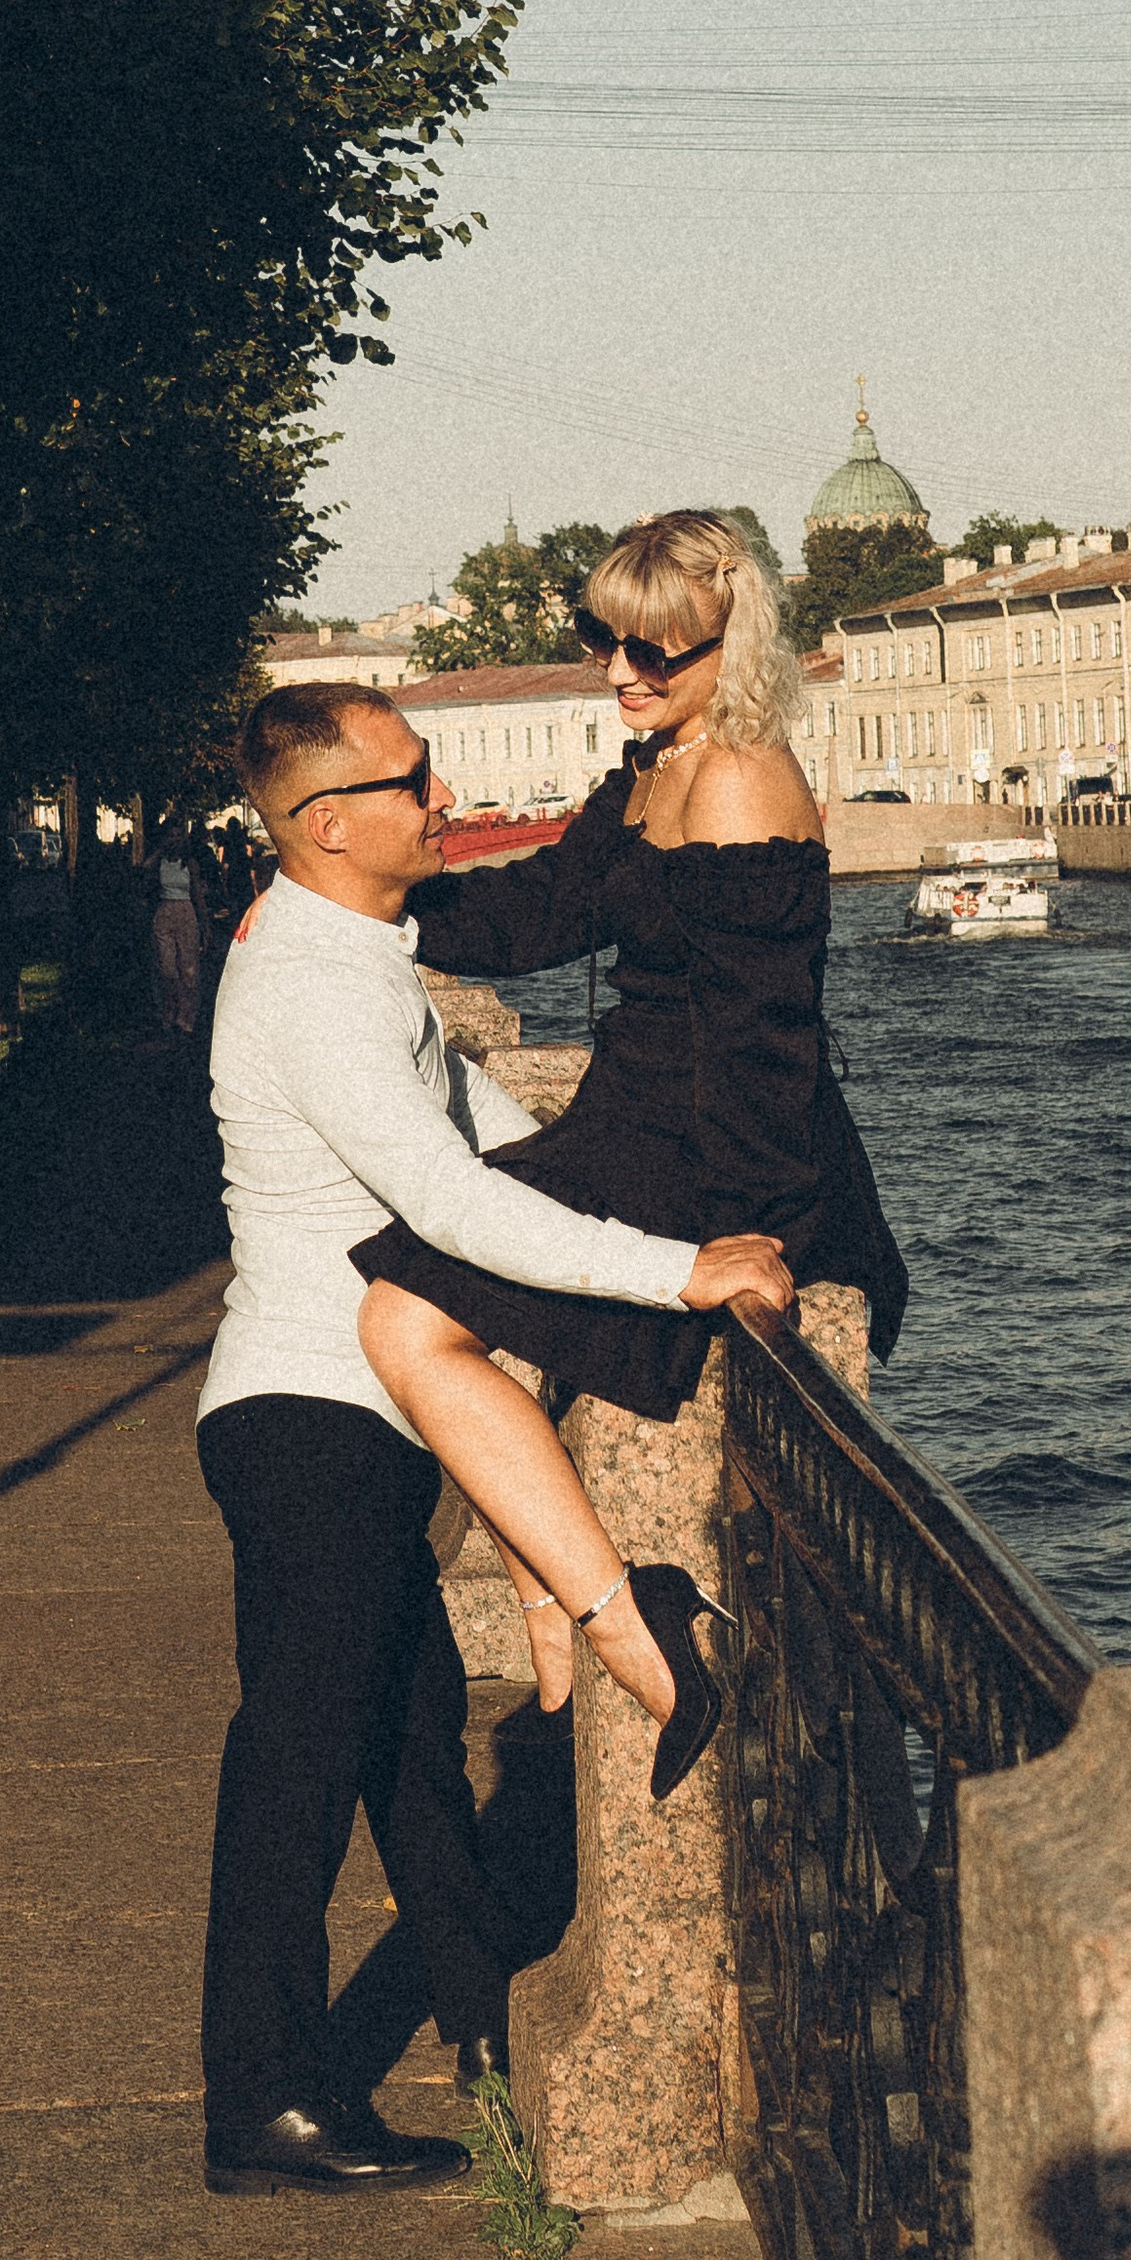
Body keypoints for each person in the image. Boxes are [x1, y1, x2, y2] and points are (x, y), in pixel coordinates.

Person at [195, 677, 794, 2198]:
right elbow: (455, 1207)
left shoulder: (348, 950)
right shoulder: (316, 988)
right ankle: (260, 2102)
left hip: (338, 1418)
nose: (444, 798)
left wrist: (659, 1178)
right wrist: (675, 1272)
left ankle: (476, 2015)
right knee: (297, 1763)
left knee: (405, 1754)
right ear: (326, 825)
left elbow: (489, 1131)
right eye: (412, 781)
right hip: (310, 1420)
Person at [353, 511, 908, 1790]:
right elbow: (540, 911)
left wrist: (735, 1236)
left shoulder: (739, 781)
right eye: (604, 641)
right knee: (412, 1303)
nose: (620, 672)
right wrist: (367, 906)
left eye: (655, 651)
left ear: (732, 642)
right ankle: (567, 1615)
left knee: (406, 1318)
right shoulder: (658, 766)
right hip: (632, 1122)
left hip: (711, 1153)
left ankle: (610, 1623)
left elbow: (767, 1037)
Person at [151, 823, 203, 1035]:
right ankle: (169, 1010)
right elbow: (143, 870)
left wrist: (205, 924)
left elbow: (197, 893)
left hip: (185, 912)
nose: (174, 840)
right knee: (167, 969)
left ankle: (185, 1016)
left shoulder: (189, 863)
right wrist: (159, 851)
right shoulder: (160, 863)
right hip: (164, 911)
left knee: (188, 969)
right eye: (170, 836)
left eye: (178, 836)